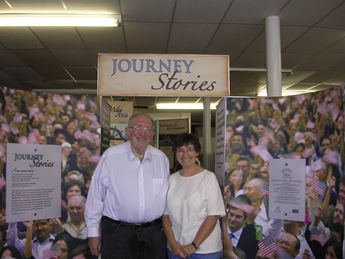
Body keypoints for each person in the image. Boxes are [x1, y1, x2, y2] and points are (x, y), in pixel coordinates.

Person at [85, 113, 170, 259]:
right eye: (138, 127)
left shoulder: (161, 159)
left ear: (152, 134)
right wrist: (93, 233)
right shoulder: (110, 157)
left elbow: (166, 196)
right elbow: (96, 196)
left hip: (153, 235)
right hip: (118, 235)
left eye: (147, 129)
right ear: (128, 131)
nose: (143, 133)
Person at [162, 133, 225, 259]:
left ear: (197, 152)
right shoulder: (171, 180)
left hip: (205, 251)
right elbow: (165, 216)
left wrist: (194, 245)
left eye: (190, 149)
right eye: (180, 150)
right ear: (175, 154)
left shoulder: (208, 178)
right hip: (176, 250)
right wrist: (173, 245)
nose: (185, 155)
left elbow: (213, 216)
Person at [226, 194, 258, 259]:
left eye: (238, 217)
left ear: (245, 219)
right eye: (231, 214)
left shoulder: (253, 238)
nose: (232, 219)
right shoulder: (218, 229)